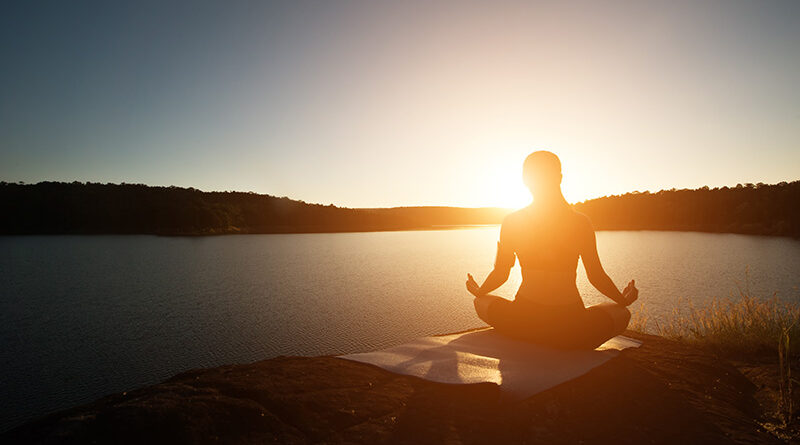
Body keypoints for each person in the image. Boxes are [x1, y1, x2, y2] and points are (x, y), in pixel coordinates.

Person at [466, 151, 638, 349]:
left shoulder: (513, 221)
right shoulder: (580, 222)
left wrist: (480, 291)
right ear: (559, 178)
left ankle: (532, 336)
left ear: (525, 180)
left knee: (480, 302)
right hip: (571, 328)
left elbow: (501, 273)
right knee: (622, 313)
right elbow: (596, 276)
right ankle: (563, 339)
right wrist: (622, 300)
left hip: (523, 322)